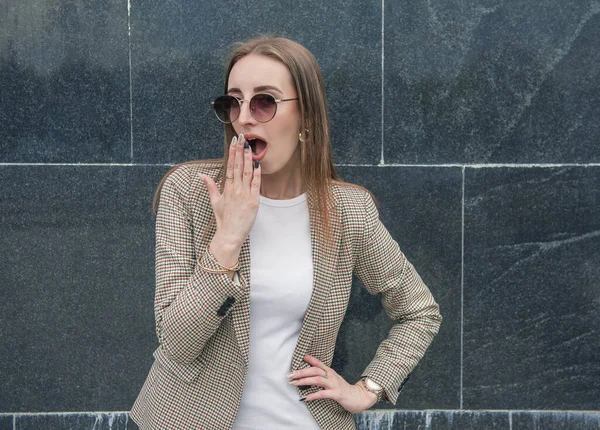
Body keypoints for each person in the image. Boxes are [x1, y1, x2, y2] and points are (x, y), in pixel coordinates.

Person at [130, 36, 442, 430]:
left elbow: (419, 312)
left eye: (264, 101)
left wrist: (368, 387)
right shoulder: (189, 191)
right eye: (234, 101)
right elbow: (177, 343)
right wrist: (227, 238)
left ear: (306, 118)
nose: (244, 117)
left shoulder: (348, 210)